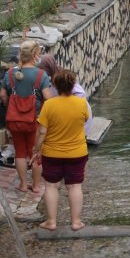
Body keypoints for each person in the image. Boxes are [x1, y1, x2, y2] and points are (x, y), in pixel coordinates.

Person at [32, 69, 90, 231]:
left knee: (51, 186)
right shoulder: (81, 103)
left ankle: (51, 222)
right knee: (74, 186)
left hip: (52, 153)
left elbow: (42, 131)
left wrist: (36, 150)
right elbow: (85, 120)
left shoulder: (49, 105)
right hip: (77, 152)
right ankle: (76, 222)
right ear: (73, 85)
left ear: (55, 86)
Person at [0, 40, 53, 193]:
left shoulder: (9, 73)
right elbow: (48, 99)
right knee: (35, 152)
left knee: (20, 151)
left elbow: (2, 94)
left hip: (14, 121)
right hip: (33, 121)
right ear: (35, 55)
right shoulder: (41, 75)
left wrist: (10, 104)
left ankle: (22, 184)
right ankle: (35, 186)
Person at [38, 54, 93, 134]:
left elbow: (80, 94)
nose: (41, 71)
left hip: (77, 117)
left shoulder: (61, 77)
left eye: (42, 69)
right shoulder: (49, 79)